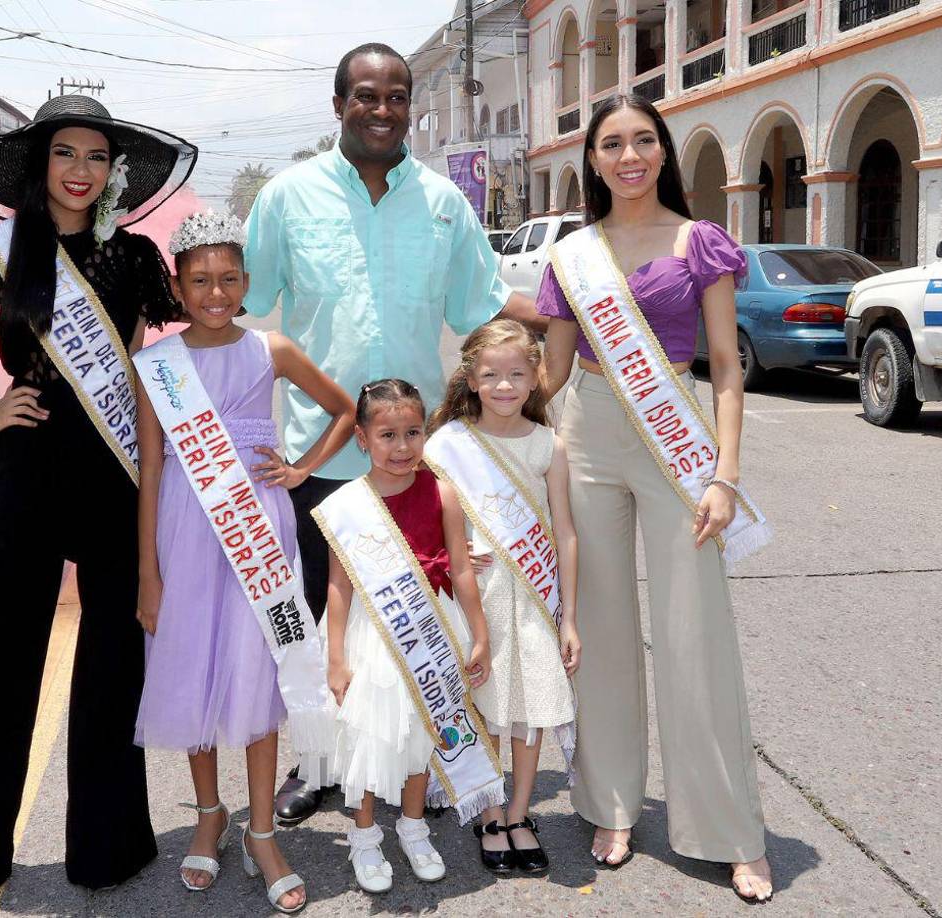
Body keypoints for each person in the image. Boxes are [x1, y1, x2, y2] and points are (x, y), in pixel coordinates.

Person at [0, 95, 196, 918]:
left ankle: (109, 845)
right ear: (38, 166)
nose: (82, 171)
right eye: (65, 155)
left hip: (114, 473)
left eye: (97, 157)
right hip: (27, 470)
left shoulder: (131, 258)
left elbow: (142, 362)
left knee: (114, 660)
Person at [243, 41, 540, 825]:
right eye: (367, 96)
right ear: (338, 104)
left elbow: (482, 306)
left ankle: (418, 762)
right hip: (316, 456)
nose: (383, 110)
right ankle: (316, 765)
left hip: (413, 461)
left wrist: (569, 325)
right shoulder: (286, 198)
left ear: (411, 106)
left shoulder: (445, 204)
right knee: (313, 623)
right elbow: (238, 304)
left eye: (397, 96)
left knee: (419, 615)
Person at [538, 92, 774, 902]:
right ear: (593, 159)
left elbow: (725, 363)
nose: (629, 156)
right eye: (612, 144)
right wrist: (484, 422)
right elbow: (553, 375)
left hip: (674, 431)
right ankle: (609, 804)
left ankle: (730, 828)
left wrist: (726, 473)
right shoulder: (574, 254)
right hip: (590, 434)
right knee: (597, 628)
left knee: (694, 633)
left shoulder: (697, 241)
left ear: (663, 151)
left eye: (643, 141)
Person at [130, 211, 355, 914]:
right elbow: (152, 467)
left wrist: (300, 468)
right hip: (184, 532)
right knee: (196, 667)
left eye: (228, 278)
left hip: (259, 526)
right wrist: (147, 571)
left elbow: (344, 410)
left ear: (248, 283)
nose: (215, 292)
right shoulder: (159, 365)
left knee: (259, 673)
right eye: (199, 280)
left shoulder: (272, 349)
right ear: (178, 285)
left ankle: (262, 830)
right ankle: (208, 814)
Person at [312, 379, 500, 894]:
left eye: (413, 432)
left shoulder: (442, 491)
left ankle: (413, 827)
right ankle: (365, 836)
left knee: (425, 731)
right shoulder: (348, 504)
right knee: (372, 737)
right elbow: (338, 585)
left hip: (431, 626)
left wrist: (478, 634)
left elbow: (461, 568)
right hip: (373, 636)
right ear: (362, 439)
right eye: (387, 434)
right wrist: (335, 658)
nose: (402, 447)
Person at [424, 318, 580, 875]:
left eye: (518, 374)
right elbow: (429, 521)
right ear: (470, 379)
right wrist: (456, 549)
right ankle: (489, 809)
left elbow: (564, 531)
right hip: (478, 599)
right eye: (492, 375)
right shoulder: (447, 443)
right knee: (487, 708)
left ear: (536, 377)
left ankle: (519, 812)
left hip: (535, 598)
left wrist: (569, 619)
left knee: (531, 708)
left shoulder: (546, 444)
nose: (506, 386)